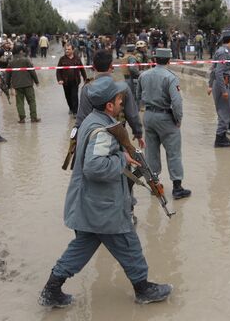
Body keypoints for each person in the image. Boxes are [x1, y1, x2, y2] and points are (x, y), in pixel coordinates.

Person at [39, 76, 172, 309]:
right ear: (110, 105)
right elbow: (94, 166)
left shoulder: (92, 120)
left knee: (81, 249)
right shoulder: (101, 130)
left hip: (91, 205)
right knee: (129, 245)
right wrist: (121, 158)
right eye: (120, 99)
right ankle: (143, 289)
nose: (123, 102)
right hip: (103, 207)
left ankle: (51, 290)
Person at [137, 48, 191, 199]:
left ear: (154, 60)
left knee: (151, 152)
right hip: (166, 118)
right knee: (173, 153)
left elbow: (138, 96)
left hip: (148, 116)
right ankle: (177, 188)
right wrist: (178, 119)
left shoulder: (144, 75)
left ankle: (155, 186)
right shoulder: (170, 77)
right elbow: (177, 102)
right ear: (169, 60)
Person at [208, 30, 230, 147]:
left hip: (220, 84)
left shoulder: (222, 51)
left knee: (224, 112)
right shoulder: (224, 52)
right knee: (224, 112)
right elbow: (218, 72)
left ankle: (223, 136)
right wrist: (224, 90)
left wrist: (210, 85)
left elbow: (213, 69)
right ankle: (219, 139)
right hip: (222, 85)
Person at [6, 44, 41, 123]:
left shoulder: (11, 62)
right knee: (31, 101)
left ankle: (22, 118)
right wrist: (36, 81)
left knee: (19, 102)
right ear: (21, 51)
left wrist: (7, 85)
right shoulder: (26, 60)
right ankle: (33, 117)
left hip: (17, 85)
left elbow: (8, 74)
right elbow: (32, 71)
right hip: (28, 84)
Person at [57, 44, 87, 116]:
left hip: (75, 81)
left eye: (68, 49)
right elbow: (58, 71)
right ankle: (70, 108)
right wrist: (59, 79)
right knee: (68, 96)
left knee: (74, 96)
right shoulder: (62, 59)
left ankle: (75, 111)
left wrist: (85, 79)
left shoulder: (77, 59)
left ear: (72, 50)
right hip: (65, 82)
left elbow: (82, 69)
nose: (67, 51)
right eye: (66, 49)